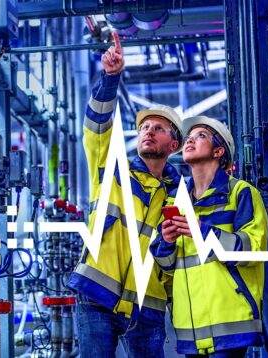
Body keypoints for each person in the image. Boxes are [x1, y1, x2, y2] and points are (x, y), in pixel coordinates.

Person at [66, 32, 184, 357]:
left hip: (148, 307)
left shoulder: (177, 198)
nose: (149, 132)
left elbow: (177, 259)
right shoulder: (112, 168)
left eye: (159, 129)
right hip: (97, 296)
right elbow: (96, 128)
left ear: (173, 146)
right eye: (145, 127)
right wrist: (110, 78)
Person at [150, 116, 268, 357]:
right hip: (189, 328)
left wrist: (202, 231)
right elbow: (168, 269)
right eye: (189, 138)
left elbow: (252, 249)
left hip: (230, 323)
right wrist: (166, 243)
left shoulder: (241, 193)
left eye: (201, 135)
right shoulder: (176, 203)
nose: (190, 140)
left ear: (218, 151)